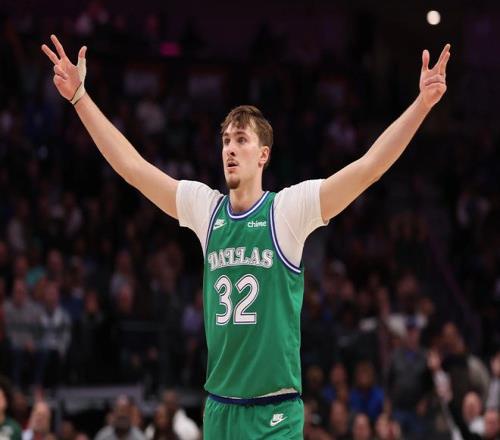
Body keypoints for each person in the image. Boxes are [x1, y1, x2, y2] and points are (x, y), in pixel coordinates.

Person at [41, 34, 451, 440]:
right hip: (219, 409)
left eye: (241, 140)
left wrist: (422, 104)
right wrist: (80, 98)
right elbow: (133, 168)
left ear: (263, 154)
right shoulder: (206, 209)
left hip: (274, 412)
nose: (230, 149)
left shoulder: (287, 210)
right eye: (225, 141)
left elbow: (367, 169)